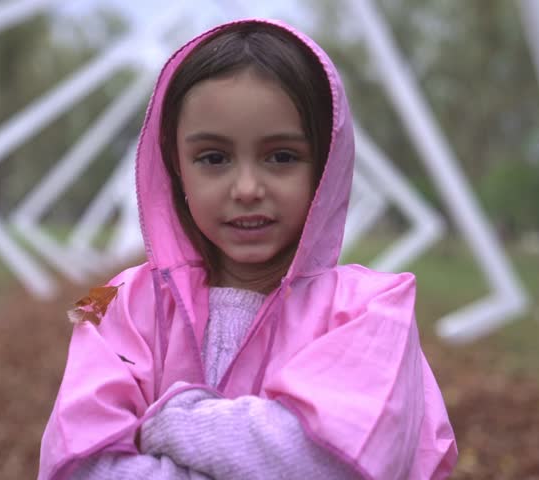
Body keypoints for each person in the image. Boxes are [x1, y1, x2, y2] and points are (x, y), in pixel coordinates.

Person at [39, 18, 457, 480]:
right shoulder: (115, 303)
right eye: (214, 158)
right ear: (176, 165)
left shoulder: (372, 312)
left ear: (326, 163)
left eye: (281, 156)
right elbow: (81, 461)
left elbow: (328, 461)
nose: (247, 188)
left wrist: (169, 422)